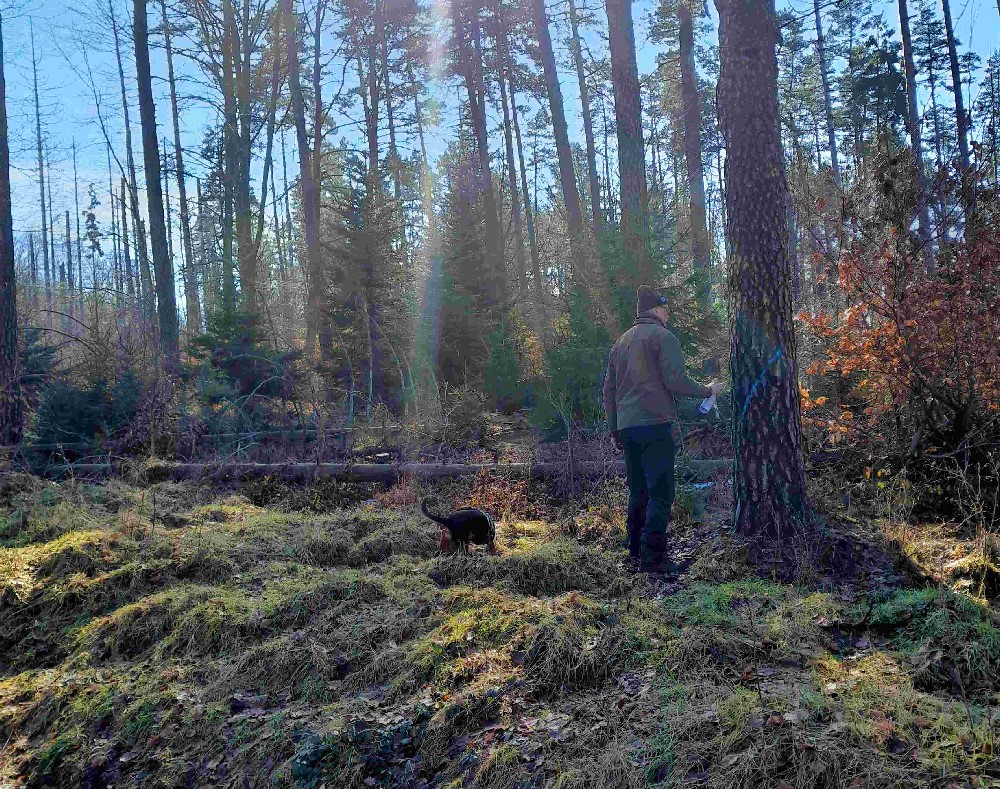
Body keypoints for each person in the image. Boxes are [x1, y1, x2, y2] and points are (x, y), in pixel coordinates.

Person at [602, 285, 723, 574]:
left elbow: (608, 391)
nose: (667, 315)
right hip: (655, 424)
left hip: (627, 427)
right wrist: (707, 390)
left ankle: (633, 552)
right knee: (662, 492)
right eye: (665, 310)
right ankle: (654, 558)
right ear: (656, 310)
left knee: (638, 491)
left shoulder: (620, 343)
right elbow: (676, 380)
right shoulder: (663, 338)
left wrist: (615, 429)